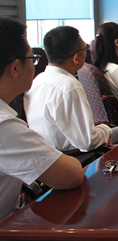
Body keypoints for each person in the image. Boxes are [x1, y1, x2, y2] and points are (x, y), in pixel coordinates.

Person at [0, 17, 83, 220]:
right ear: (15, 68)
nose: (34, 65)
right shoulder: (4, 127)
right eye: (32, 59)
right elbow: (72, 175)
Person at [25, 26, 118, 153]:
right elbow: (88, 142)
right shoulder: (69, 86)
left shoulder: (37, 80)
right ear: (76, 58)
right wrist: (105, 132)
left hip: (51, 151)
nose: (88, 51)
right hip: (77, 155)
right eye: (85, 48)